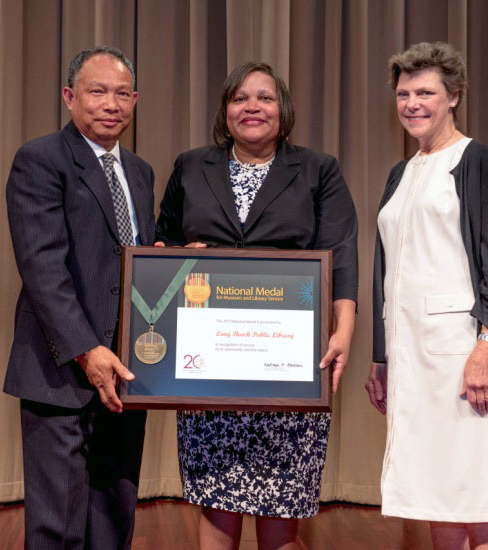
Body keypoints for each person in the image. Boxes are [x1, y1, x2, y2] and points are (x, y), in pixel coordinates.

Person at [155, 62, 358, 550]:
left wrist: (343, 332)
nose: (252, 107)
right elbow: (160, 247)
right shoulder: (190, 165)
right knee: (217, 495)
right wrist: (177, 258)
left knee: (282, 502)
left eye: (264, 98)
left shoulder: (317, 168)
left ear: (283, 111)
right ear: (225, 111)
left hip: (288, 364)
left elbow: (342, 255)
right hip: (210, 364)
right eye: (240, 98)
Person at [365, 42, 488, 550]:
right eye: (404, 93)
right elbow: (387, 272)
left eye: (426, 92)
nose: (412, 103)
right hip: (410, 358)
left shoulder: (477, 161)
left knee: (479, 492)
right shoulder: (401, 173)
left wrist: (487, 346)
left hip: (462, 356)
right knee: (436, 496)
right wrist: (382, 356)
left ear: (453, 96)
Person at [4, 46, 155, 550]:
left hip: (127, 370)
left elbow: (130, 263)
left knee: (114, 511)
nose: (110, 103)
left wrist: (171, 261)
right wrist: (88, 350)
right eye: (96, 91)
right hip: (60, 366)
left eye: (121, 93)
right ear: (70, 97)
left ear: (134, 101)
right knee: (57, 521)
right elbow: (43, 268)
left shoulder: (140, 172)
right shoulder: (41, 159)